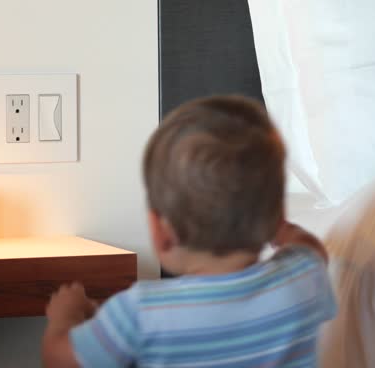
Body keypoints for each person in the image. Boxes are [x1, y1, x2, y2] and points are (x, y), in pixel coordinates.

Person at [43, 95, 335, 367]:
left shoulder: (139, 312)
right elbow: (310, 248)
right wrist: (280, 227)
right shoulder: (302, 277)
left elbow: (60, 360)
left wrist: (65, 317)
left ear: (162, 234)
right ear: (276, 217)